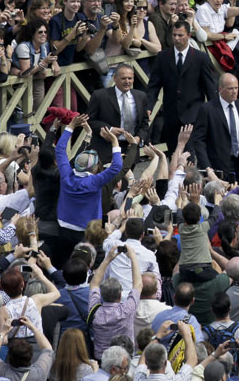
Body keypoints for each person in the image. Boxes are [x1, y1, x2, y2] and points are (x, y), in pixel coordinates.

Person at [54, 114, 123, 267]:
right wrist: (114, 141)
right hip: (86, 232)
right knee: (85, 265)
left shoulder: (66, 175)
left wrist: (71, 127)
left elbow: (60, 150)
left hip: (63, 227)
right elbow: (116, 166)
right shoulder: (94, 181)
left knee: (65, 264)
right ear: (93, 168)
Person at [146, 21, 217, 153]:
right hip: (171, 114)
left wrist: (215, 111)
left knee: (188, 155)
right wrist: (149, 106)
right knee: (173, 154)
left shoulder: (200, 58)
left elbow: (210, 87)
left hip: (192, 114)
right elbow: (154, 85)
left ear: (189, 35)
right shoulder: (163, 57)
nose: (177, 39)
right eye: (174, 35)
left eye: (180, 35)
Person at [191, 73, 239, 180]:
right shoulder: (207, 109)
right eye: (230, 89)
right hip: (218, 168)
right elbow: (198, 140)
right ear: (220, 89)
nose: (234, 92)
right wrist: (207, 167)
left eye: (236, 88)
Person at [87, 64, 150, 163]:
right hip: (106, 148)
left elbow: (145, 122)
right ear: (115, 78)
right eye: (123, 78)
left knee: (129, 178)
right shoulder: (100, 96)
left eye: (130, 78)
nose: (127, 81)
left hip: (130, 149)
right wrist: (110, 129)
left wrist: (138, 138)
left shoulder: (141, 96)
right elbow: (90, 120)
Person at [88, 245, 142, 359]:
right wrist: (133, 257)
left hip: (101, 359)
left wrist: (108, 259)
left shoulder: (95, 310)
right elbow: (138, 285)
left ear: (101, 294)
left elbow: (94, 284)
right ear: (120, 295)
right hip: (124, 359)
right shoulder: (126, 310)